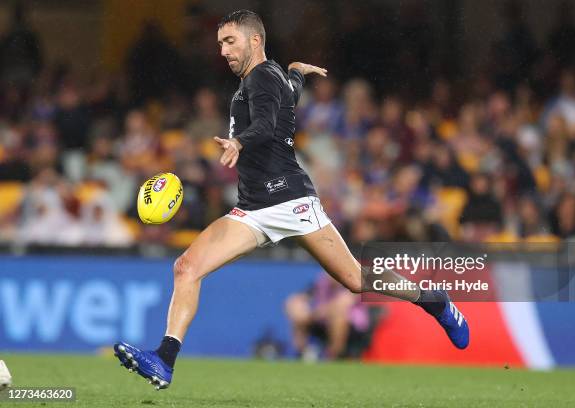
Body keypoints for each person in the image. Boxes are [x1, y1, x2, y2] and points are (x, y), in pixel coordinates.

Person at [114, 10, 469, 390]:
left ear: (255, 41)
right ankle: (164, 360)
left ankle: (432, 299)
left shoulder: (261, 76)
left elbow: (266, 125)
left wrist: (239, 141)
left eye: (229, 41)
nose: (222, 51)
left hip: (289, 200)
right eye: (219, 43)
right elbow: (287, 100)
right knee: (187, 267)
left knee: (354, 278)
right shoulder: (269, 79)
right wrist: (296, 73)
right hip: (252, 208)